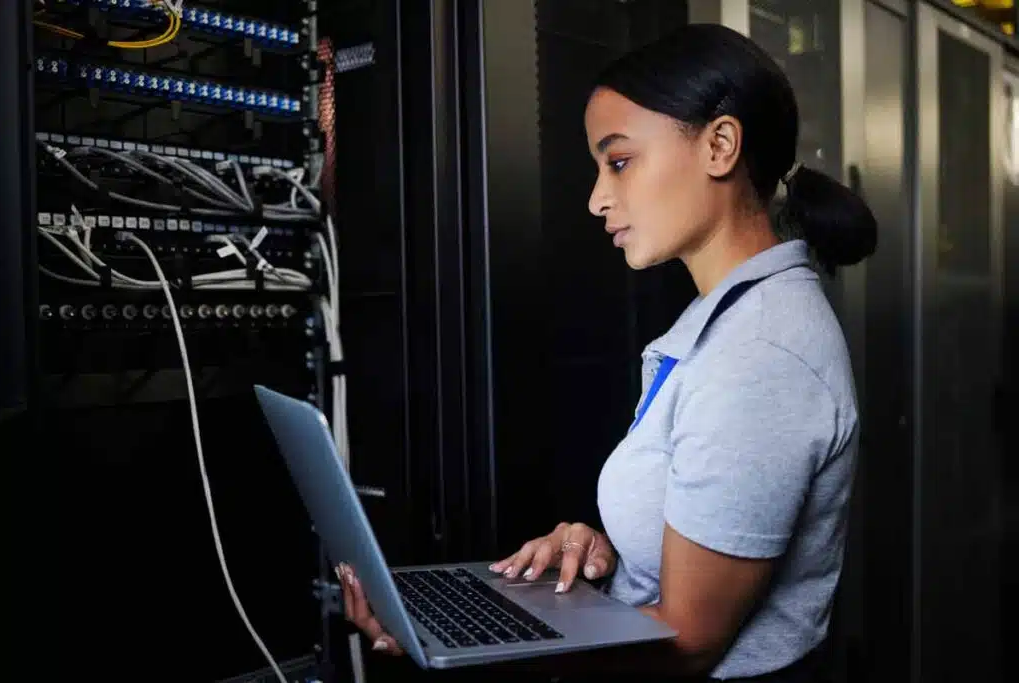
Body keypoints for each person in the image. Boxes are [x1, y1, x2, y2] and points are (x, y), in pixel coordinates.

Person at [336, 22, 876, 682]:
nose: (596, 198)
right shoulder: (731, 322)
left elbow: (688, 644)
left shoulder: (759, 353)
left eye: (618, 161)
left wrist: (484, 646)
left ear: (720, 145)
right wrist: (607, 558)